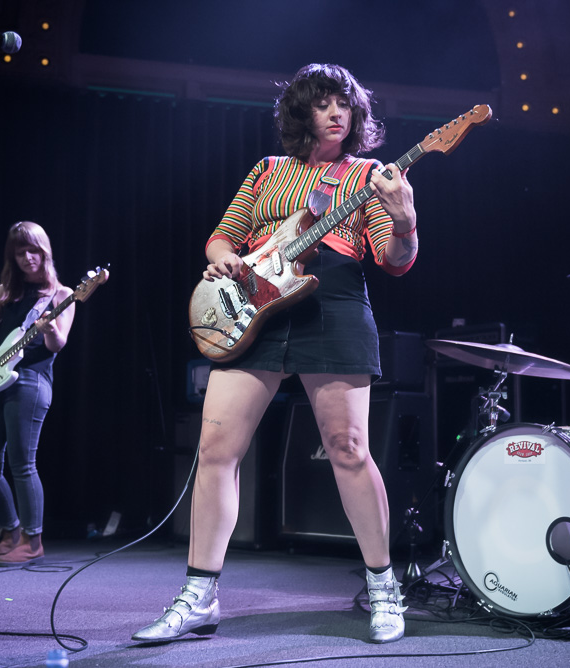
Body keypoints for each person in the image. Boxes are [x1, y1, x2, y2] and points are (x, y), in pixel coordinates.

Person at [132, 64, 418, 644]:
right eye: (324, 104)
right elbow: (222, 234)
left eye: (346, 103)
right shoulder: (267, 171)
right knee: (216, 451)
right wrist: (222, 259)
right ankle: (199, 594)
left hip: (331, 303)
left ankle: (383, 586)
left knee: (348, 449)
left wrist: (407, 218)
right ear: (301, 113)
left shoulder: (370, 176)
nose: (338, 112)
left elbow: (394, 258)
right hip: (255, 307)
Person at [0, 222, 76, 564]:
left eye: (33, 250)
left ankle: (32, 541)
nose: (27, 257)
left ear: (45, 251)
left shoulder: (62, 295)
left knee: (23, 464)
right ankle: (9, 533)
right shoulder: (5, 292)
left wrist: (50, 327)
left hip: (31, 382)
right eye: (20, 251)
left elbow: (57, 344)